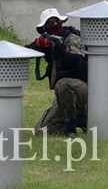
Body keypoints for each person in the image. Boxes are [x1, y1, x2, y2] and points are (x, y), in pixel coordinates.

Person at [25, 8, 88, 137]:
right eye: (49, 23)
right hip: (64, 96)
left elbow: (77, 63)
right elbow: (25, 52)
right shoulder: (48, 41)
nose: (54, 25)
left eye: (56, 21)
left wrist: (58, 50)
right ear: (45, 28)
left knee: (62, 84)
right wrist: (39, 44)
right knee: (42, 131)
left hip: (83, 90)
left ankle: (72, 124)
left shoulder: (72, 39)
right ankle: (79, 118)